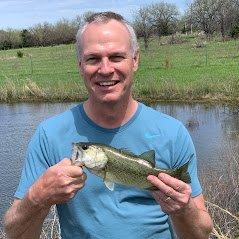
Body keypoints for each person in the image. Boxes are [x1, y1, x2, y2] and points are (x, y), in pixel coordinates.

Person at [4, 12, 213, 239]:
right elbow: (15, 234)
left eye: (116, 57)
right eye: (93, 58)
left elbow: (200, 234)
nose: (105, 69)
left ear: (135, 60)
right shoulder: (49, 135)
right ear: (80, 65)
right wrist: (37, 198)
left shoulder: (173, 133)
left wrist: (184, 210)